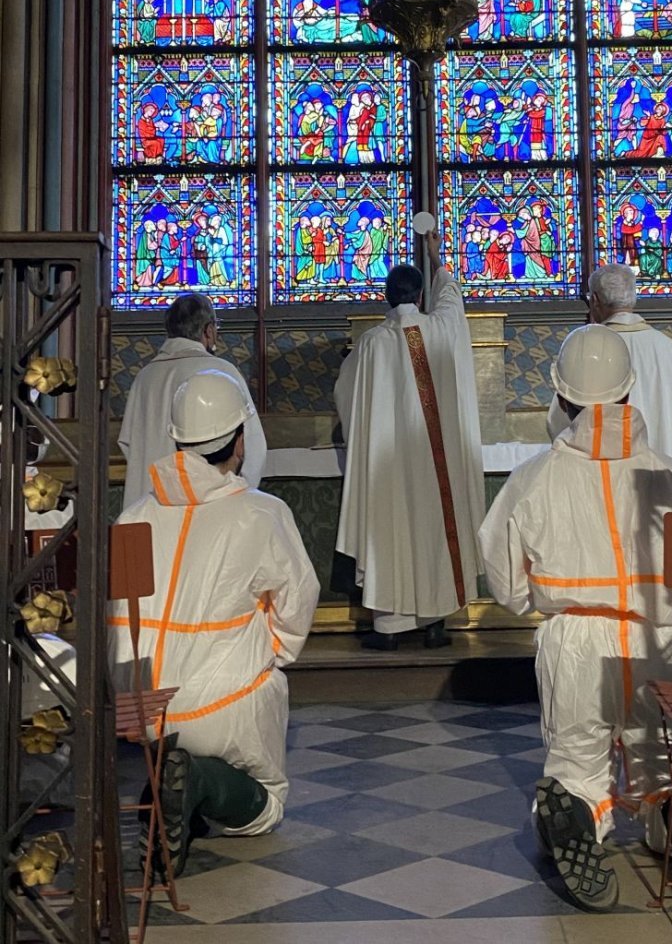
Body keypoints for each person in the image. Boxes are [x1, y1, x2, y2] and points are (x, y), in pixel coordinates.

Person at [479, 326, 672, 911]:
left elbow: (506, 583)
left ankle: (575, 817)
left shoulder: (533, 477)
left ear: (560, 399)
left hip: (576, 638)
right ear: (630, 394)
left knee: (576, 761)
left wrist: (547, 600)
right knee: (664, 759)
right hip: (659, 637)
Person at [108, 370, 319, 875]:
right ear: (239, 441)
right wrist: (270, 653)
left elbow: (123, 617)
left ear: (176, 441)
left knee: (178, 732)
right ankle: (200, 782)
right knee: (266, 806)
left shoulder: (133, 515)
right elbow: (297, 603)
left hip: (141, 709)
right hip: (225, 701)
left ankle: (170, 782)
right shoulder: (260, 513)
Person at [334, 231, 484, 650]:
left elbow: (347, 399)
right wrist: (437, 257)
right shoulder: (441, 328)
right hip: (437, 462)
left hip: (388, 464)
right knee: (434, 526)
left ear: (385, 296)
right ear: (420, 296)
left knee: (392, 526)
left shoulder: (372, 346)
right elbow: (452, 297)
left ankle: (390, 628)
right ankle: (435, 623)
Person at [567, 263, 672, 681]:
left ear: (594, 302)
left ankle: (617, 690)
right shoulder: (667, 349)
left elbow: (567, 424)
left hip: (611, 495)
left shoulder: (591, 348)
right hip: (671, 495)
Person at [118, 293, 267, 509]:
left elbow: (128, 445)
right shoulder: (222, 371)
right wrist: (240, 499)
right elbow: (253, 448)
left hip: (150, 506)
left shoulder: (144, 377)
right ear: (208, 330)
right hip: (210, 507)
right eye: (216, 326)